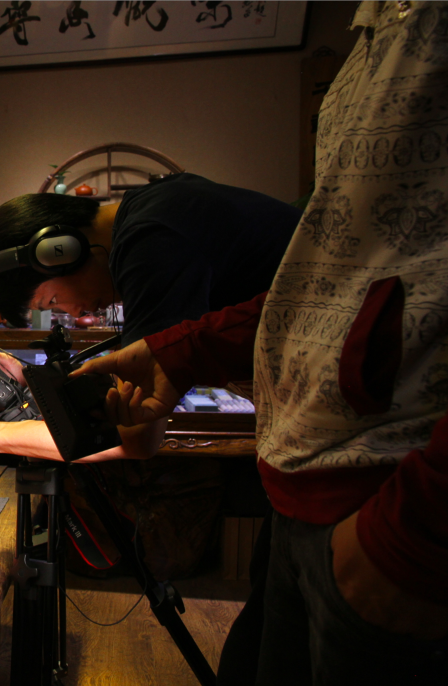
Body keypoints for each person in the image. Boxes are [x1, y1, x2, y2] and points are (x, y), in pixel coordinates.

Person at [74, 3, 448, 681]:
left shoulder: (149, 231)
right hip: (308, 484)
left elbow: (140, 441)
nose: (67, 310)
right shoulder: (371, 38)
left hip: (392, 506)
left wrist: (418, 534)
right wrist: (183, 350)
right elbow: (330, 291)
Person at [0, 173, 300, 461]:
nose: (72, 313)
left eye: (53, 300)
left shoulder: (153, 244)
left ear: (61, 251)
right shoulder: (152, 210)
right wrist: (36, 383)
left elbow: (137, 438)